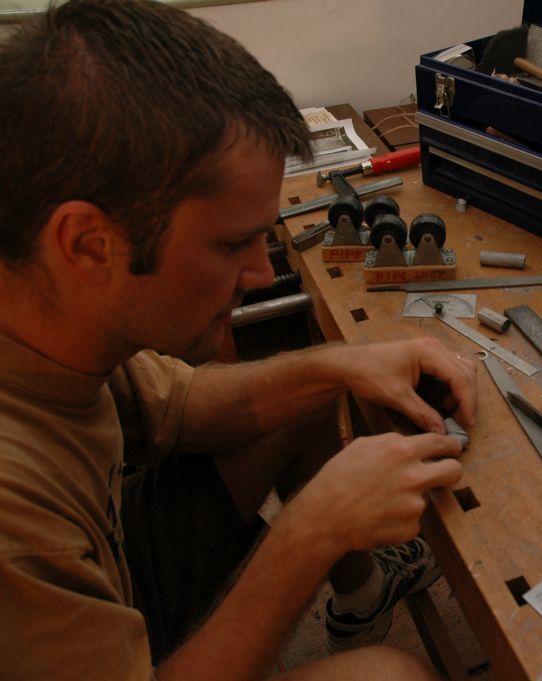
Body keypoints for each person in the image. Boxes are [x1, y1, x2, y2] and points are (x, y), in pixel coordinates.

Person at [0, 1, 477, 679]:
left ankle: (363, 594)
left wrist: (349, 361)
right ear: (87, 242)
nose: (260, 272)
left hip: (109, 558)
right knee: (391, 676)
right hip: (74, 602)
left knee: (307, 387)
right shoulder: (15, 528)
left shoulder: (45, 310)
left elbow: (185, 404)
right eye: (230, 244)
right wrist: (308, 534)